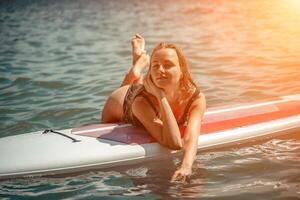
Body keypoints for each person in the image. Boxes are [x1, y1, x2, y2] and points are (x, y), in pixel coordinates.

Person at [101, 34, 206, 183]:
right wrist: (160, 96)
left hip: (144, 90)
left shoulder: (196, 98)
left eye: (168, 65)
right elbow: (174, 143)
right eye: (155, 65)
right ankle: (135, 71)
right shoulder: (141, 103)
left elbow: (190, 138)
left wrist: (186, 166)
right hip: (120, 101)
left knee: (138, 83)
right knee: (128, 92)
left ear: (182, 70)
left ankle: (137, 66)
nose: (160, 70)